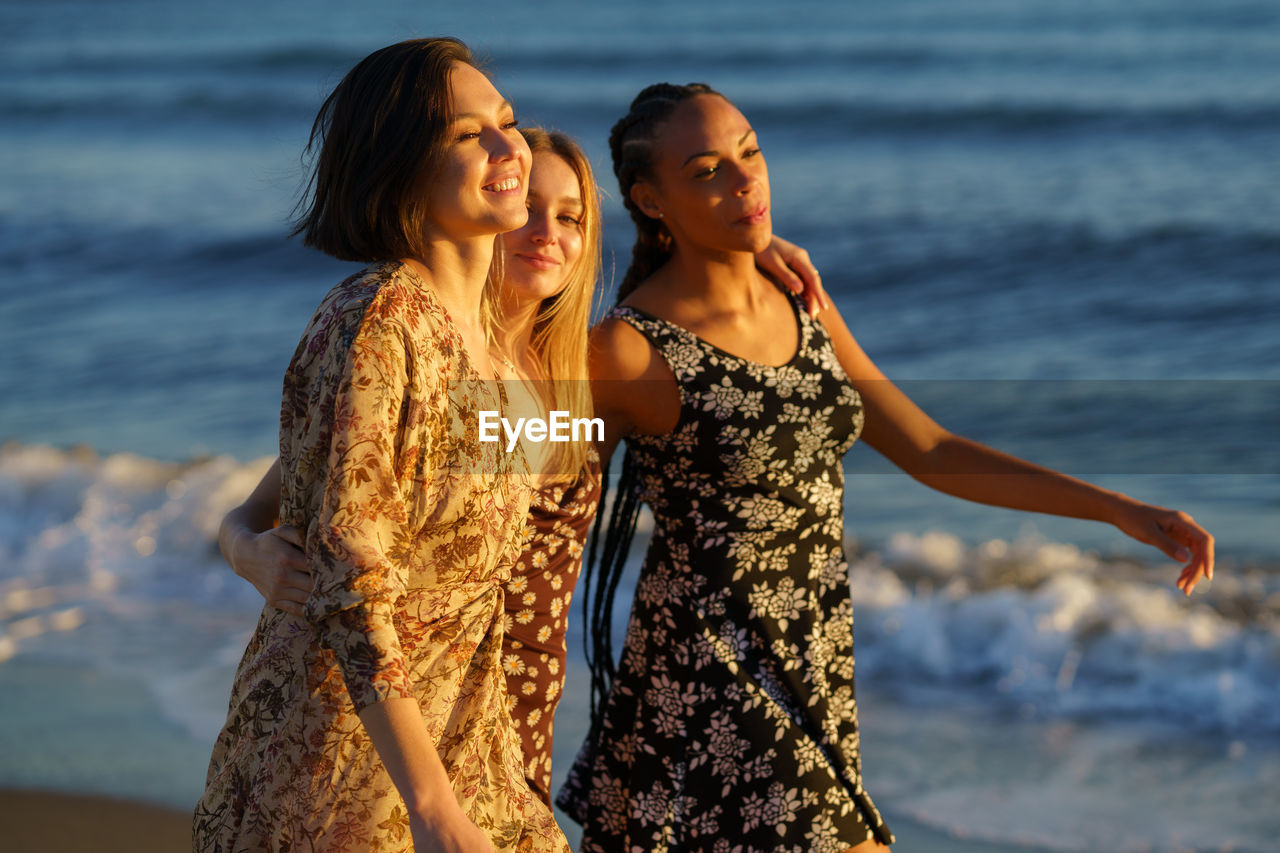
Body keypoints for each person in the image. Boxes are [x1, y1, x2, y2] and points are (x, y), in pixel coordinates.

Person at [557, 82, 1215, 853]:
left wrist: (1117, 508)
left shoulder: (799, 299)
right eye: (706, 171)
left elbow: (928, 449)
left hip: (815, 661)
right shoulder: (629, 349)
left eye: (750, 152)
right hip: (708, 676)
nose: (745, 181)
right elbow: (528, 480)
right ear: (652, 200)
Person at [218, 122, 826, 807]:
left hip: (523, 709)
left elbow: (682, 325)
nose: (548, 232)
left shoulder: (581, 371)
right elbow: (264, 507)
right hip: (415, 704)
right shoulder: (429, 360)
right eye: (529, 209)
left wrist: (743, 248)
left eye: (570, 217)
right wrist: (247, 553)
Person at [193, 39, 568, 853]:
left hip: (466, 752)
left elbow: (295, 485)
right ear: (401, 167)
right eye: (472, 135)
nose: (513, 149)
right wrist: (435, 813)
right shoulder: (377, 323)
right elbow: (353, 586)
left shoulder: (497, 348)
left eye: (507, 123)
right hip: (344, 772)